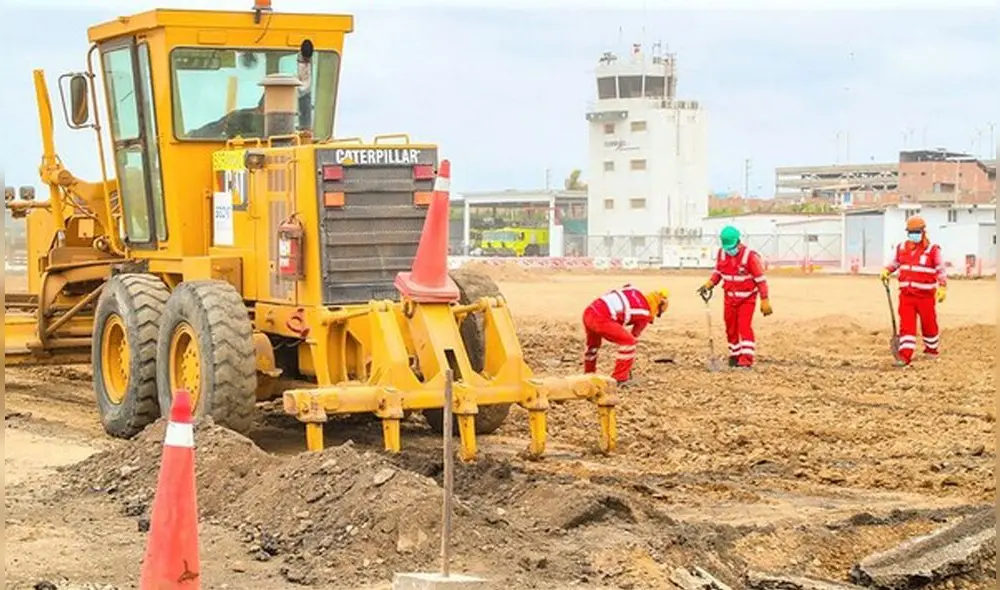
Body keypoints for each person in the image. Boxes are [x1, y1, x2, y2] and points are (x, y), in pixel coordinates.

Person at [696, 225, 772, 368]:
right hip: (729, 298)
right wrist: (709, 284)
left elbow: (761, 280)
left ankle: (746, 360)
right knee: (730, 328)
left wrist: (765, 299)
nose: (730, 250)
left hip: (747, 299)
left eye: (732, 246)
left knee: (744, 327)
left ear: (738, 241)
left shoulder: (750, 257)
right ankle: (735, 355)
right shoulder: (722, 254)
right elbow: (718, 272)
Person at [880, 215, 947, 366]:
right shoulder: (902, 248)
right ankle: (905, 355)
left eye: (916, 231)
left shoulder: (932, 250)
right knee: (906, 325)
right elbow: (895, 263)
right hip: (906, 296)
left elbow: (940, 270)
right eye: (911, 232)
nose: (913, 235)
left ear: (923, 232)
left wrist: (942, 286)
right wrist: (886, 270)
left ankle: (931, 349)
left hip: (925, 296)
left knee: (929, 324)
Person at [582, 284, 669, 386]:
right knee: (629, 342)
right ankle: (620, 378)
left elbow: (625, 287)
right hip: (603, 318)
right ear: (657, 307)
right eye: (658, 313)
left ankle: (588, 374)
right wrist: (627, 364)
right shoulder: (645, 313)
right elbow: (633, 336)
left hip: (590, 310)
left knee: (593, 346)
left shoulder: (634, 290)